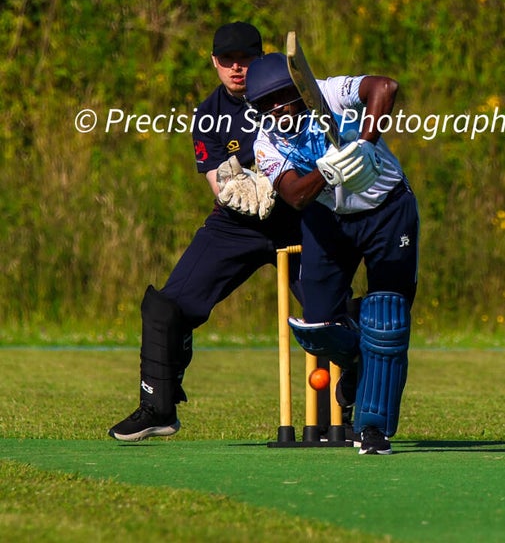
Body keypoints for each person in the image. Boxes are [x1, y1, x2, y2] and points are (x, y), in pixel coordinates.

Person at [108, 23, 303, 441]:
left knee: (333, 314)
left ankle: (347, 413)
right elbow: (221, 185)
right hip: (237, 224)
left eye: (245, 59)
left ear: (260, 58)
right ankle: (158, 408)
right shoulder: (208, 114)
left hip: (299, 218)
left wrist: (279, 181)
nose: (236, 68)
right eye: (227, 60)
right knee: (166, 308)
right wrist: (244, 189)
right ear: (214, 62)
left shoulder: (289, 95)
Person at [245, 52, 419, 455]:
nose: (278, 109)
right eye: (266, 105)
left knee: (388, 318)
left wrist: (365, 145)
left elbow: (385, 87)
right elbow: (294, 195)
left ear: (297, 88)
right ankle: (360, 358)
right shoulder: (266, 143)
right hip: (327, 219)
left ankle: (373, 429)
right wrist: (327, 172)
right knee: (318, 329)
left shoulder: (328, 93)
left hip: (388, 210)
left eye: (282, 97)